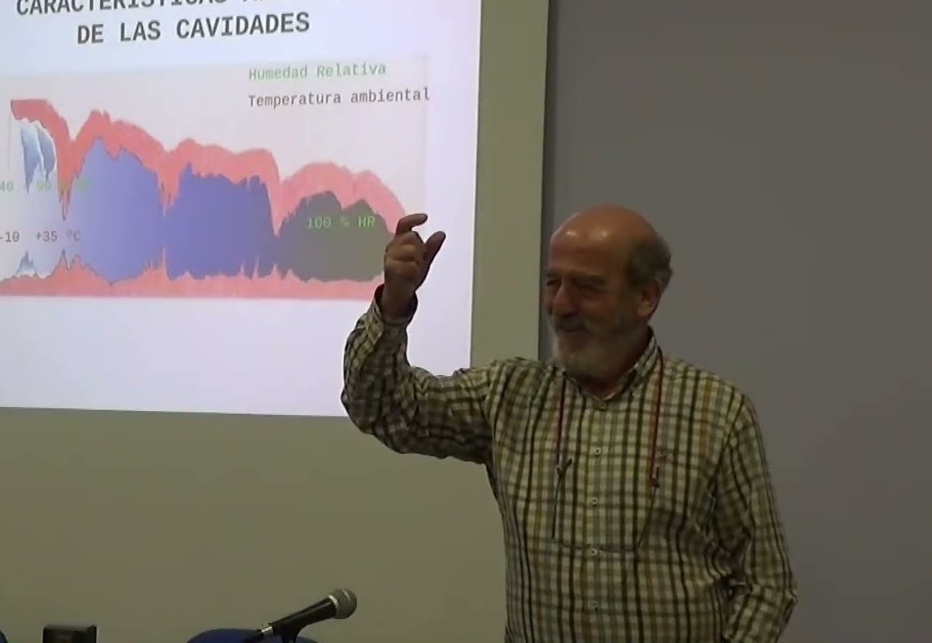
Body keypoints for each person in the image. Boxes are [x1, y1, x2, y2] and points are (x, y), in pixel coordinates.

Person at [340, 205, 798, 643]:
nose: (560, 305)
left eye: (586, 287)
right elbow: (380, 407)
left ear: (646, 297)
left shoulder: (716, 410)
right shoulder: (508, 394)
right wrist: (395, 301)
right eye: (552, 283)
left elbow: (766, 583)